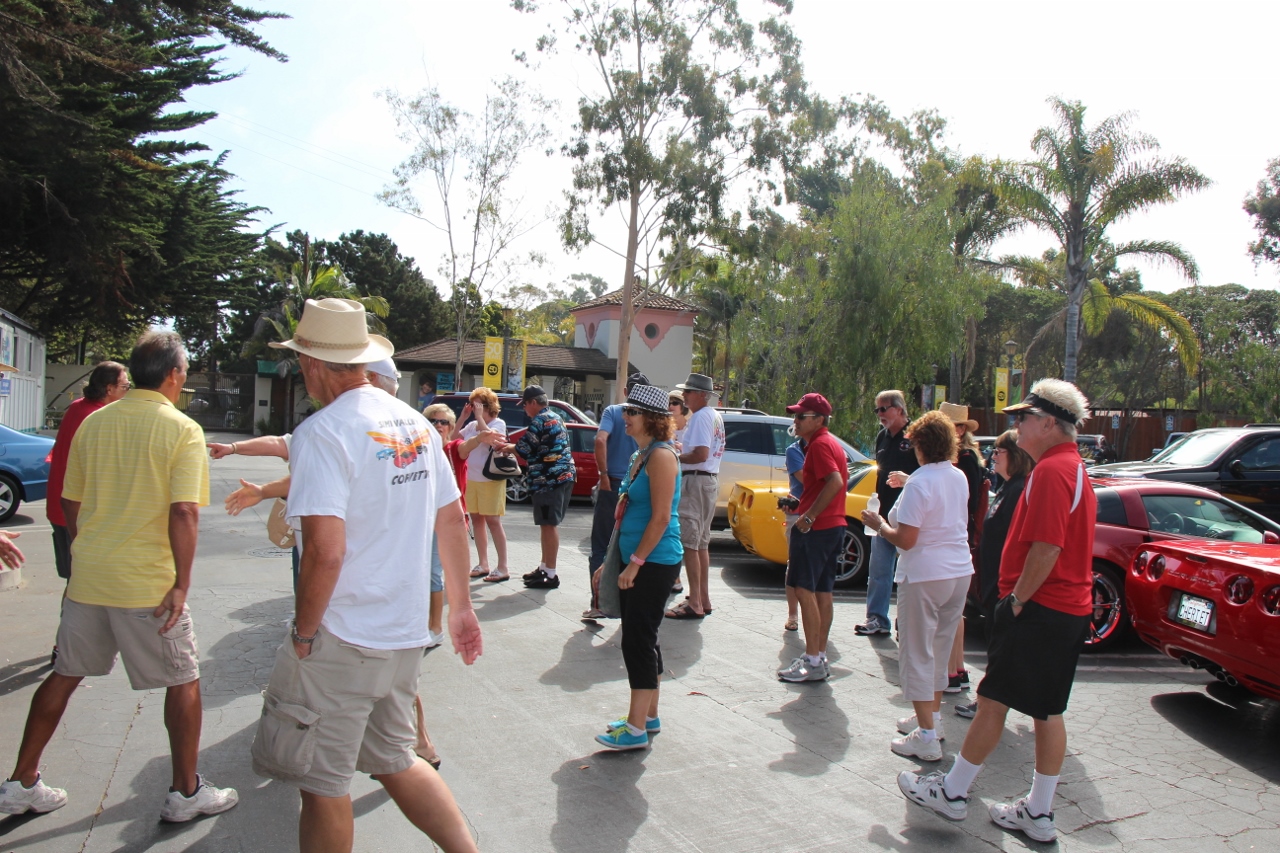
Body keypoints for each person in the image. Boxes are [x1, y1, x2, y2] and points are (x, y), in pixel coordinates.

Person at [252, 298, 482, 853]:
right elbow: (452, 519)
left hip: (343, 637)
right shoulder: (416, 425)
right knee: (397, 759)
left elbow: (325, 554)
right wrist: (461, 608)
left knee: (322, 784)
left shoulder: (321, 433)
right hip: (402, 636)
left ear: (311, 362)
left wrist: (304, 634)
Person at [0, 332, 237, 822]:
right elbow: (185, 512)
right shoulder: (182, 430)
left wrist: (91, 545)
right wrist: (181, 584)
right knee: (184, 679)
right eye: (185, 367)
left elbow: (69, 500)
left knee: (63, 674)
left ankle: (21, 782)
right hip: (146, 583)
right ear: (174, 375)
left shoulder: (95, 422)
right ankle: (186, 793)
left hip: (90, 575)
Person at [898, 379, 1096, 845]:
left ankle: (953, 791)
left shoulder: (1051, 472)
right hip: (1067, 608)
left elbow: (1047, 547)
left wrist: (1017, 600)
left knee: (992, 701)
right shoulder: (1073, 467)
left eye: (1024, 418)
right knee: (1047, 712)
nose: (1017, 426)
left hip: (1041, 608)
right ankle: (1040, 810)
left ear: (1049, 423)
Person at [860, 410, 972, 761]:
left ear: (920, 445)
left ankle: (927, 734)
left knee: (916, 653)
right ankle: (931, 720)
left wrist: (878, 524)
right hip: (958, 573)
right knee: (937, 651)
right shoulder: (956, 476)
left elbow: (905, 539)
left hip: (925, 575)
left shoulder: (921, 482)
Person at [593, 383, 682, 750]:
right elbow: (625, 513)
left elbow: (661, 518)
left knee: (637, 641)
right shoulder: (640, 455)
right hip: (635, 559)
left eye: (631, 412)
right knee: (644, 636)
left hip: (655, 562)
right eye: (625, 411)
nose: (624, 418)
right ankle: (648, 716)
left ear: (652, 418)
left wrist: (635, 565)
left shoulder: (662, 457)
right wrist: (610, 562)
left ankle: (634, 731)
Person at [955, 429, 1035, 718]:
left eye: (999, 451)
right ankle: (1002, 699)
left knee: (1001, 649)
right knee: (999, 646)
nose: (993, 456)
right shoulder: (1007, 487)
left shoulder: (1019, 490)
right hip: (992, 580)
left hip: (1003, 583)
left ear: (1015, 456)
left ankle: (989, 703)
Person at [777, 393, 847, 683]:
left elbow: (835, 481)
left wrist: (809, 517)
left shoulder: (819, 444)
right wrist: (803, 507)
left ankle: (814, 658)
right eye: (795, 415)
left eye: (800, 416)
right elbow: (826, 485)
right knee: (821, 592)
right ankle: (817, 655)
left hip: (818, 529)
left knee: (804, 590)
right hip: (832, 526)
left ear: (818, 419)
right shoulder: (827, 442)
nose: (795, 420)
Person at [46, 362, 130, 588]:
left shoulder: (77, 408)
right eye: (125, 386)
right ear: (109, 389)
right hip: (77, 512)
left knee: (74, 581)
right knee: (82, 586)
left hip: (59, 506)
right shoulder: (97, 418)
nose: (127, 391)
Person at [488, 385, 576, 589]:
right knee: (547, 524)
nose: (524, 409)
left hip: (549, 479)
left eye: (525, 404)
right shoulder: (556, 416)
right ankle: (545, 568)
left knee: (549, 524)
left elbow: (524, 449)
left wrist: (505, 447)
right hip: (562, 476)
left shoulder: (539, 420)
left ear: (533, 403)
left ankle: (550, 573)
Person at [855, 390, 920, 636]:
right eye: (877, 410)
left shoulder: (915, 437)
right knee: (879, 570)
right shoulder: (882, 437)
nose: (880, 414)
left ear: (900, 409)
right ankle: (877, 618)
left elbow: (929, 477)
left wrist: (908, 480)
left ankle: (907, 621)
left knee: (909, 573)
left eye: (884, 409)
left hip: (910, 516)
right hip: (883, 514)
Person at [584, 372, 647, 618]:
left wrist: (603, 474)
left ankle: (597, 603)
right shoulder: (649, 416)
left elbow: (600, 440)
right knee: (633, 546)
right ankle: (629, 605)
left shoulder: (613, 411)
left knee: (601, 545)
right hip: (638, 483)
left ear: (626, 391)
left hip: (613, 484)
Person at [665, 373, 724, 619]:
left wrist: (675, 457)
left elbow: (700, 454)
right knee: (700, 543)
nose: (685, 396)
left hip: (697, 481)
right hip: (706, 481)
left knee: (690, 542)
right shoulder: (712, 416)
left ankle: (695, 603)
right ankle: (702, 599)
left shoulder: (701, 417)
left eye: (688, 392)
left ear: (702, 395)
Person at [939, 402, 987, 694]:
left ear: (958, 430)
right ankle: (956, 670)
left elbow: (961, 503)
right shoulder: (967, 459)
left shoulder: (964, 461)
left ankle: (953, 672)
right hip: (961, 539)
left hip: (957, 539)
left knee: (950, 611)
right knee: (953, 611)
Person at [454, 387, 510, 582]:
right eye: (473, 404)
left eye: (479, 404)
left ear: (489, 406)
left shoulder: (498, 423)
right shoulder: (471, 426)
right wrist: (463, 417)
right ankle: (483, 563)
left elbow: (492, 440)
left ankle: (502, 566)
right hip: (472, 478)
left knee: (493, 521)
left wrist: (479, 417)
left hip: (490, 480)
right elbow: (453, 440)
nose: (475, 408)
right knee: (477, 520)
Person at [782, 427, 807, 632]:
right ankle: (793, 614)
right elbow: (806, 479)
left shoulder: (827, 447)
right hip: (798, 512)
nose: (797, 423)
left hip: (822, 514)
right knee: (795, 564)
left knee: (817, 566)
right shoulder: (794, 450)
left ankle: (814, 613)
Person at [668, 390, 689, 595]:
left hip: (688, 485)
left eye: (675, 402)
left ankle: (675, 577)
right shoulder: (667, 430)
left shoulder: (691, 430)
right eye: (668, 402)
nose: (670, 406)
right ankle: (674, 577)